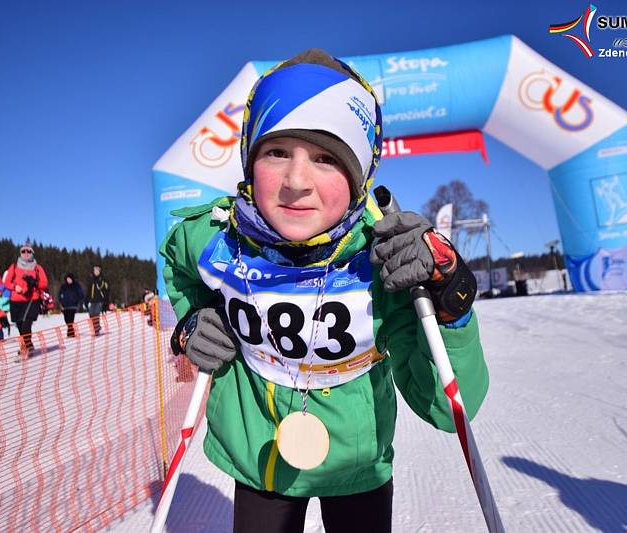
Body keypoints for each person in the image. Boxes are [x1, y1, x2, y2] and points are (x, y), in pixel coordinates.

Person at [162, 49, 487, 533]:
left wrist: (450, 301)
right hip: (260, 460)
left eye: (326, 158)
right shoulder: (213, 238)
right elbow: (179, 264)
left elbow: (447, 408)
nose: (296, 181)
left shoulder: (385, 261)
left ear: (359, 177)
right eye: (276, 152)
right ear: (249, 161)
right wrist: (193, 323)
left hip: (357, 467)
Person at [2, 242, 49, 358]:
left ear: (32, 253)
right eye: (23, 251)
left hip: (32, 299)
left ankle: (24, 348)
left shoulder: (38, 268)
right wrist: (14, 287)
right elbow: (6, 282)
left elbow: (45, 283)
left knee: (26, 323)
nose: (26, 253)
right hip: (16, 300)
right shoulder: (14, 266)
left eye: (29, 251)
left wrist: (35, 283)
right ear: (20, 253)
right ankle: (29, 345)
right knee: (19, 324)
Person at [58, 273, 85, 338]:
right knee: (66, 319)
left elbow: (81, 294)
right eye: (67, 279)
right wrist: (60, 301)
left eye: (70, 279)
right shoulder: (63, 286)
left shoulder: (76, 286)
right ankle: (71, 330)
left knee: (70, 319)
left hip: (73, 305)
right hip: (65, 306)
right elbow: (60, 294)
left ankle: (70, 332)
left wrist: (77, 300)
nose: (68, 280)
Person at [86, 265, 109, 336]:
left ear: (100, 271)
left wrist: (106, 300)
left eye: (97, 270)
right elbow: (88, 290)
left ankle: (96, 329)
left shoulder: (103, 279)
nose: (96, 271)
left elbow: (107, 289)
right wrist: (87, 299)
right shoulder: (91, 279)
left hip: (100, 300)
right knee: (91, 314)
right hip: (92, 300)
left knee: (96, 314)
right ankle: (96, 327)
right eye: (94, 270)